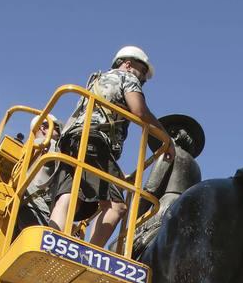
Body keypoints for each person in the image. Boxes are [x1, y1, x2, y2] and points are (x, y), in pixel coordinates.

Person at [49, 46, 175, 248]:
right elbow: (139, 111)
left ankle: (52, 244)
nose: (142, 79)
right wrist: (165, 138)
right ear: (127, 64)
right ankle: (88, 255)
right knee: (117, 206)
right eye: (142, 72)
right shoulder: (127, 78)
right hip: (94, 141)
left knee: (71, 196)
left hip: (70, 141)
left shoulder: (96, 80)